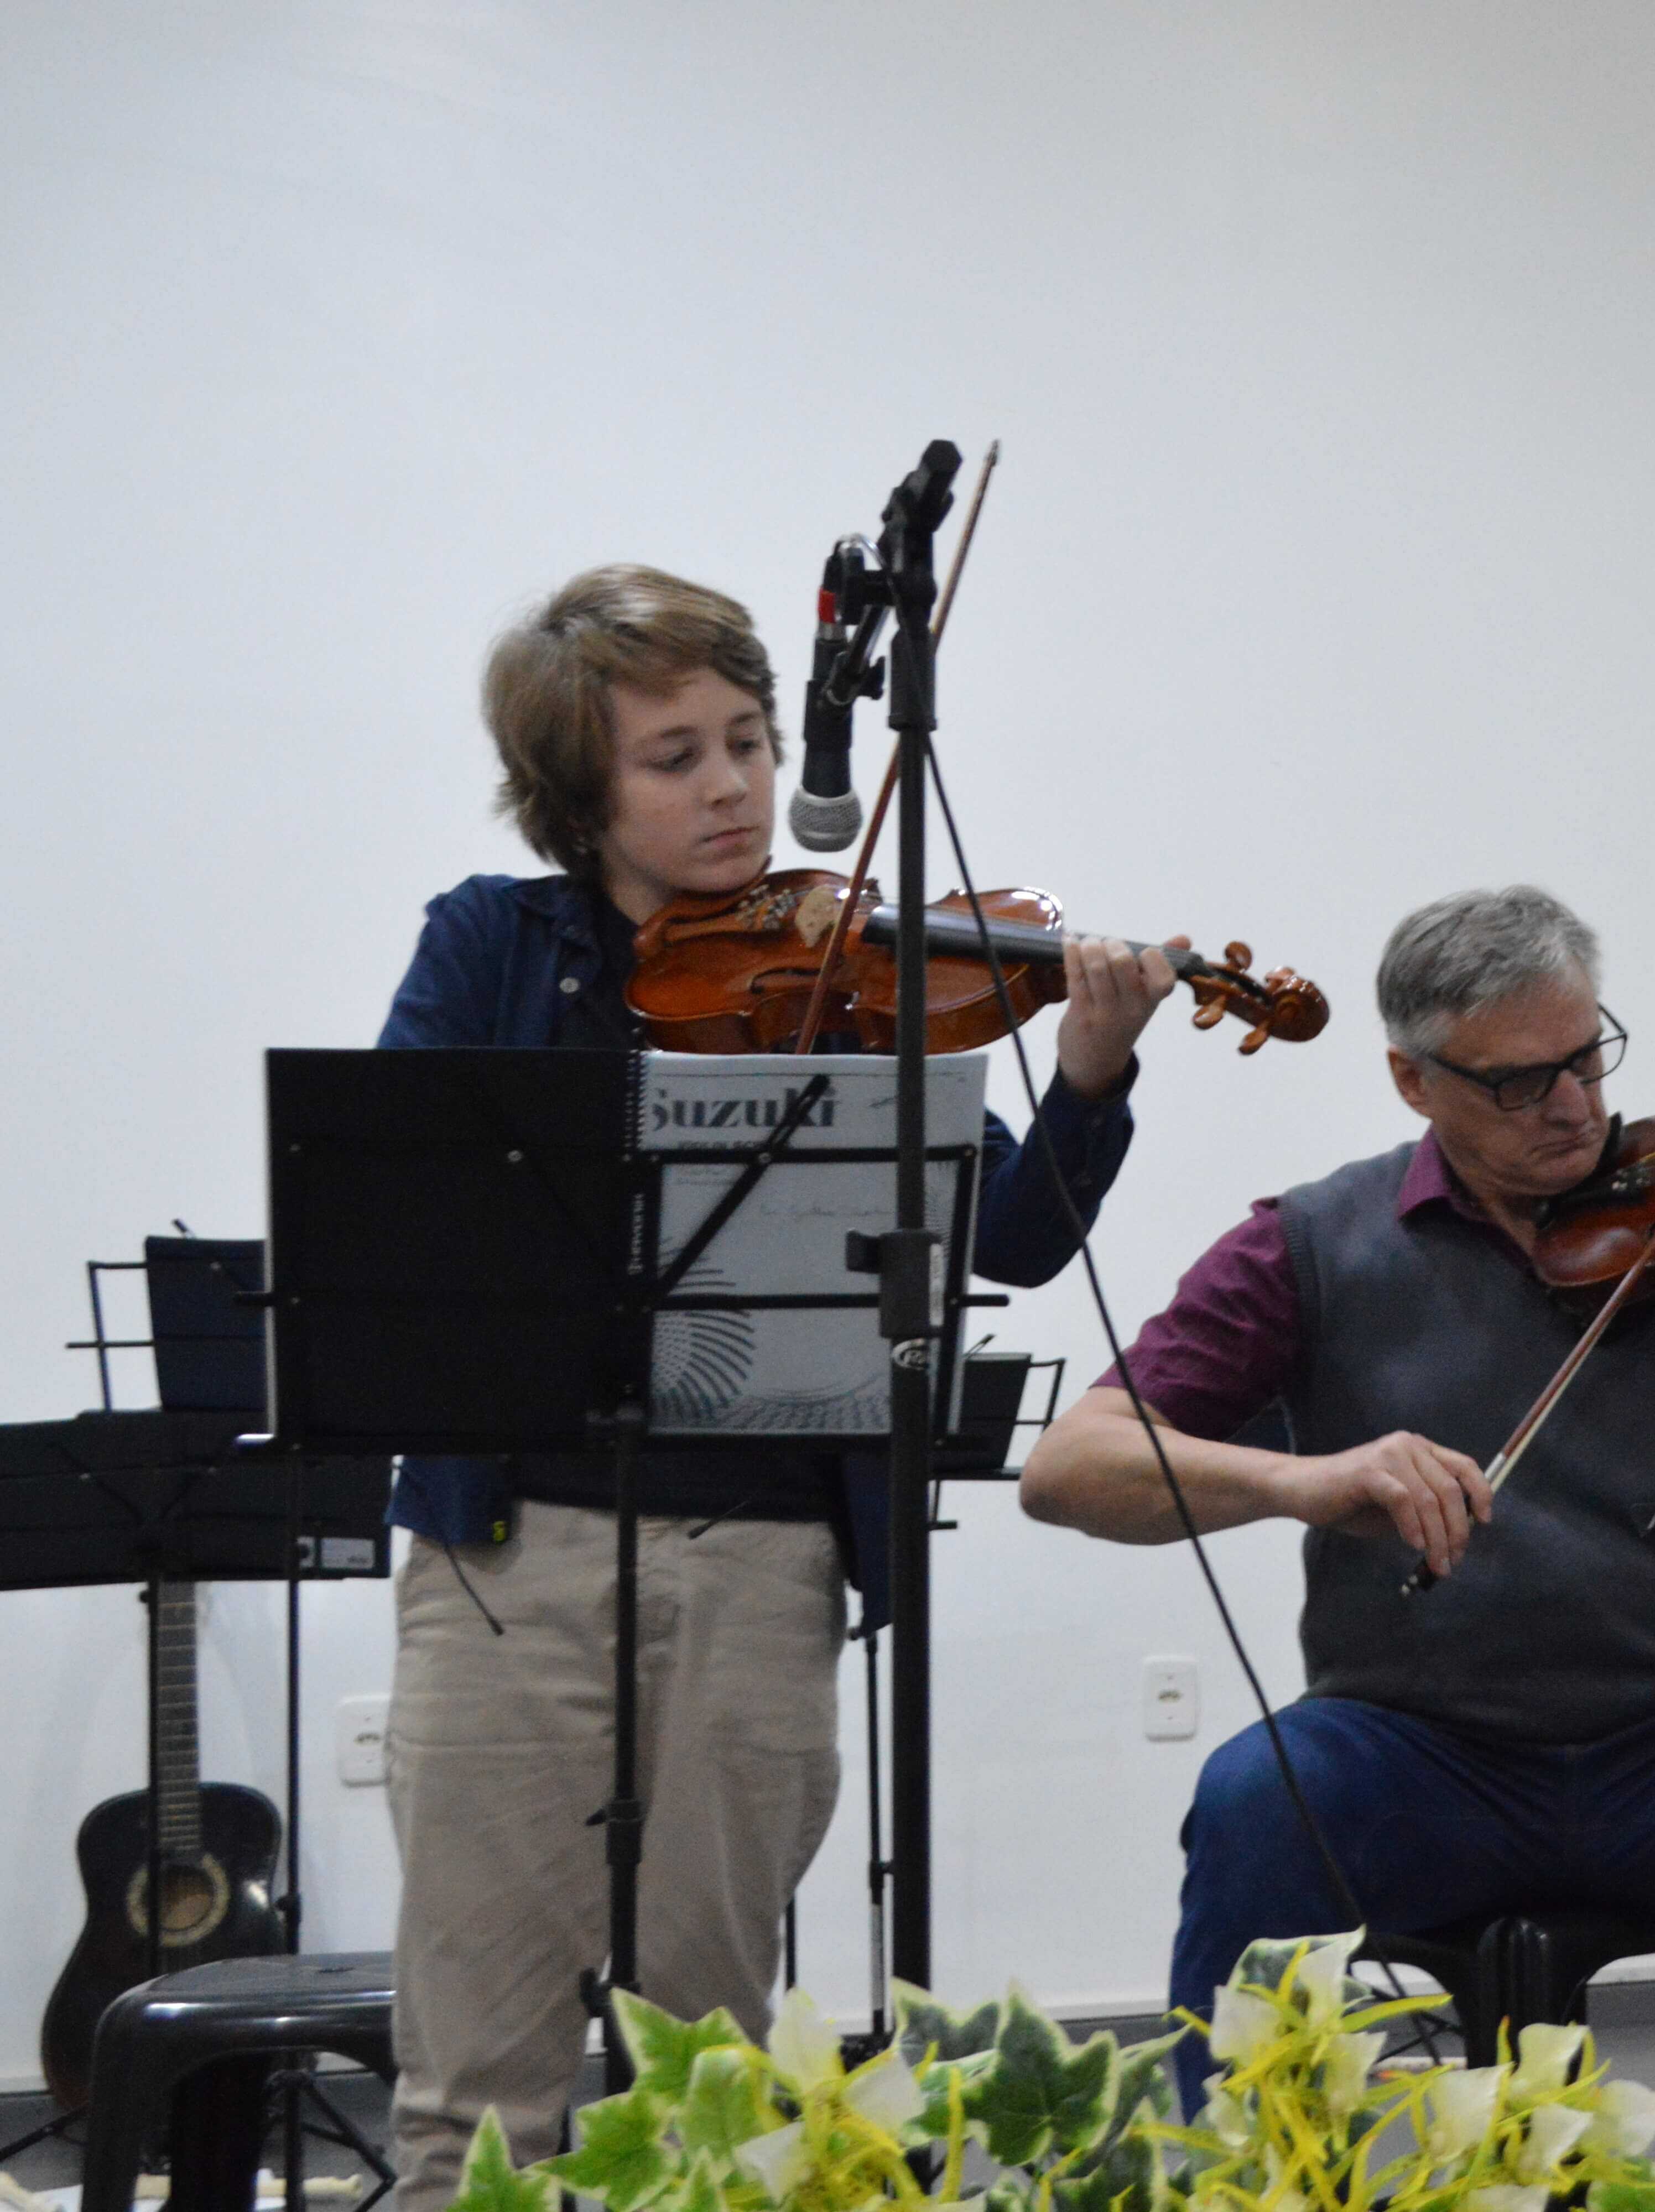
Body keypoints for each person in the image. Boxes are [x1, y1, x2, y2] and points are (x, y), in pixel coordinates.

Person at [1018, 885, 1655, 2185]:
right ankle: (1252, 2187)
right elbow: (1068, 1467)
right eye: (1516, 1083)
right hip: (1413, 1753)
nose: (1572, 1107)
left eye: (1584, 1058)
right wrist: (1306, 1477)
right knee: (1252, 1796)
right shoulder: (1310, 1243)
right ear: (1411, 1079)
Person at [376, 565, 1182, 2210]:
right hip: (512, 1556)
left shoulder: (857, 964)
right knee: (479, 2090)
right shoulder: (493, 945)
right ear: (577, 790)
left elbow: (1014, 1240)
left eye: (745, 738)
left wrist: (1088, 1077)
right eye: (675, 757)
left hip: (764, 1553)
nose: (733, 783)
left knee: (710, 2072)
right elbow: (406, 1188)